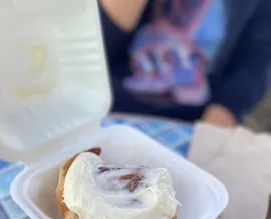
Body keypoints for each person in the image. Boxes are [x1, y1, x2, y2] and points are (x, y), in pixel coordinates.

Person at [100, 0, 271, 127]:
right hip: (108, 109)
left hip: (193, 123)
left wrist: (213, 130)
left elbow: (254, 64)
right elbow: (97, 48)